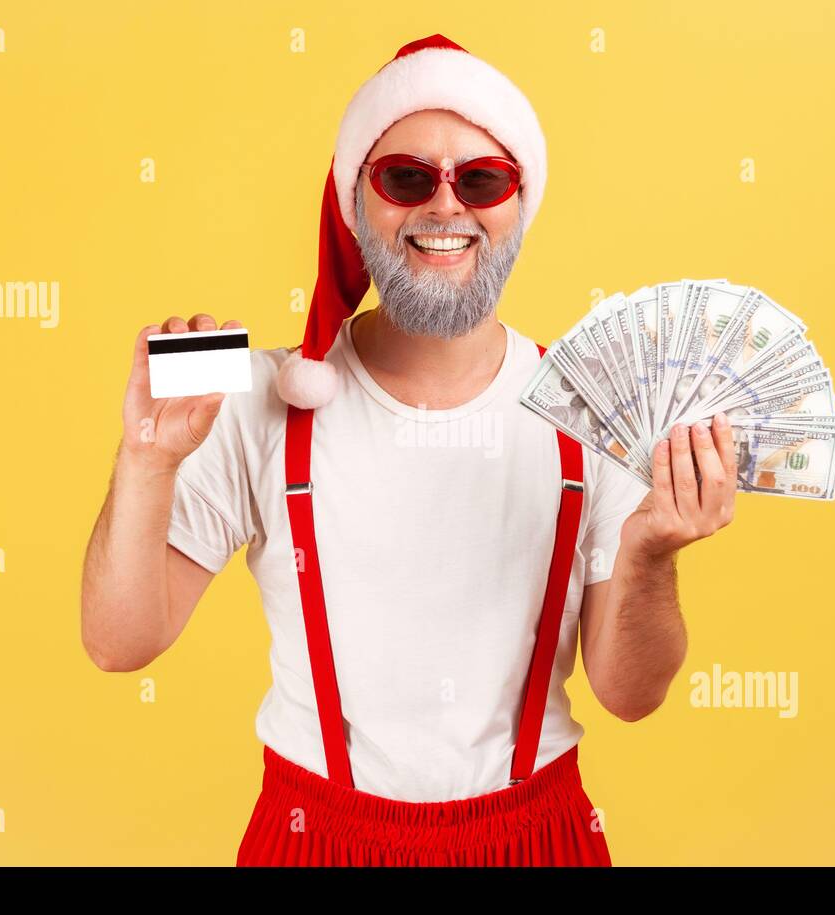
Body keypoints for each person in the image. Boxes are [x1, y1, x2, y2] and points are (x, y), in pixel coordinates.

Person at [80, 34, 738, 866]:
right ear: (357, 201)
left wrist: (649, 554)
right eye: (406, 177)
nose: (446, 208)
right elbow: (117, 643)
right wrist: (146, 459)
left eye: (483, 179)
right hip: (311, 839)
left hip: (535, 840)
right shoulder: (256, 398)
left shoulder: (595, 410)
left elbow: (631, 697)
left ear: (519, 204)